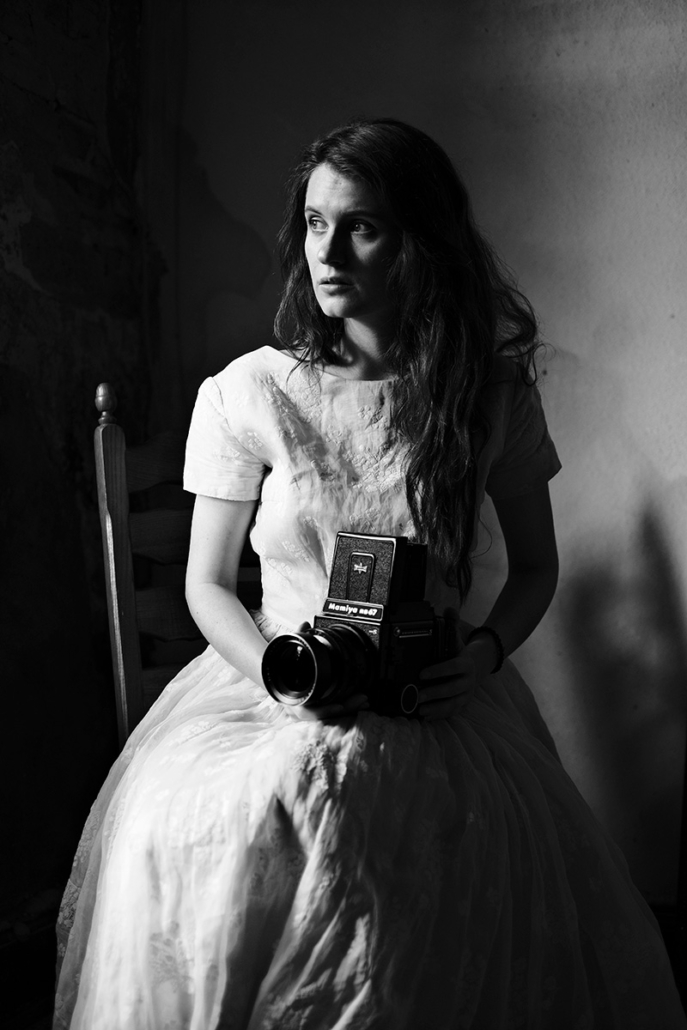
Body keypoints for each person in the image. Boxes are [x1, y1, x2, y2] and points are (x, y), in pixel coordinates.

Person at [54, 118, 686, 1029]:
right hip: (272, 679)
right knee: (250, 812)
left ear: (420, 241)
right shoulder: (251, 391)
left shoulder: (488, 393)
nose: (327, 252)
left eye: (361, 227)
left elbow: (535, 567)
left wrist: (483, 655)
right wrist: (281, 675)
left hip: (435, 694)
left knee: (422, 827)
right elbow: (207, 585)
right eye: (315, 224)